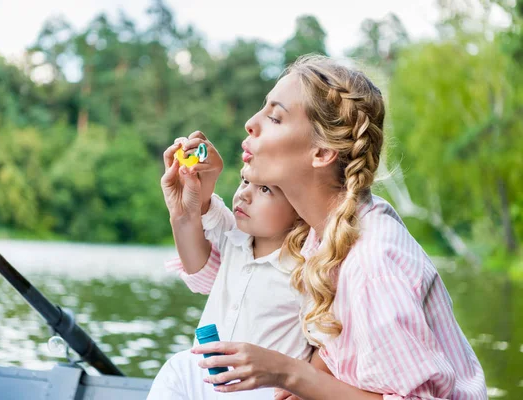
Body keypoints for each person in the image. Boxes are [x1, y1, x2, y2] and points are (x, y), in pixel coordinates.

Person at [180, 54, 486, 399]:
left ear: (322, 153)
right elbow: (211, 277)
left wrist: (289, 373)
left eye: (275, 117)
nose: (251, 123)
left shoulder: (372, 263)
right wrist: (191, 208)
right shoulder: (321, 230)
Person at [148, 134, 331, 399]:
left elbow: (328, 341)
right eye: (245, 181)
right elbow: (193, 241)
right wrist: (198, 185)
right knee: (177, 367)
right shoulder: (234, 234)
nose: (244, 194)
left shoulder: (307, 268)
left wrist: (307, 387)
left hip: (261, 388)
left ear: (299, 206)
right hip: (206, 380)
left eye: (265, 189)